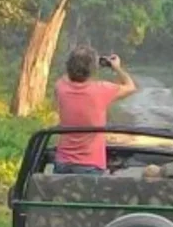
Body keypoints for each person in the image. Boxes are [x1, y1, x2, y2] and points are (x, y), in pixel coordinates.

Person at [53, 45, 138, 174]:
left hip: (63, 162)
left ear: (69, 65)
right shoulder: (102, 89)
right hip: (90, 164)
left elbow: (67, 76)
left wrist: (80, 63)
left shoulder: (60, 87)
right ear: (92, 69)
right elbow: (130, 86)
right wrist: (116, 67)